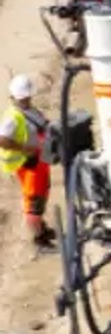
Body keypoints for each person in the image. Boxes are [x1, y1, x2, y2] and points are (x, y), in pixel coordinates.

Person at [1, 74, 53, 251]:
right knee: (34, 202)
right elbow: (2, 140)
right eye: (22, 98)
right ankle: (39, 240)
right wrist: (24, 148)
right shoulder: (13, 116)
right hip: (30, 164)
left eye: (27, 97)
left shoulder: (29, 109)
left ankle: (41, 228)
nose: (25, 100)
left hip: (40, 161)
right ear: (13, 97)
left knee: (41, 195)